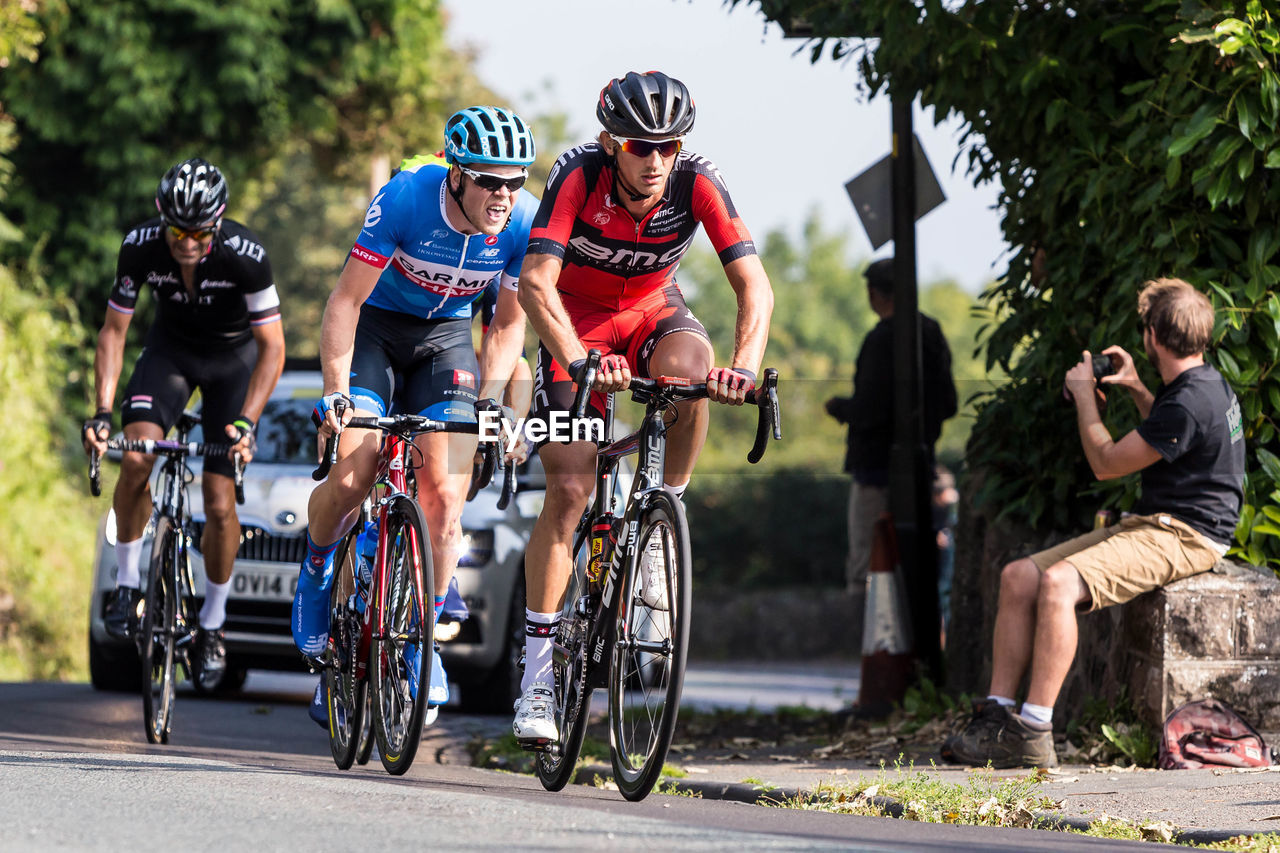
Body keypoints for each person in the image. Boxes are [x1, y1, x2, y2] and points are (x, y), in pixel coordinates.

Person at [511, 70, 774, 744]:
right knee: (569, 488)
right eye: (638, 144)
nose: (655, 158)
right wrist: (575, 358)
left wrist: (741, 370)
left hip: (654, 312)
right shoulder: (577, 175)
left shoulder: (697, 182)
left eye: (669, 145)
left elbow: (755, 287)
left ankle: (665, 509)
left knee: (691, 371)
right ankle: (538, 673)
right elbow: (536, 283)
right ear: (610, 141)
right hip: (579, 326)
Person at [293, 106, 538, 725]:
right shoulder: (407, 199)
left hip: (445, 341)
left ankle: (422, 642)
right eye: (489, 179)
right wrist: (333, 392)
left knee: (445, 498)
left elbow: (507, 324)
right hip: (375, 332)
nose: (503, 194)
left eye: (514, 180)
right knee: (353, 473)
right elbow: (344, 302)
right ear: (455, 175)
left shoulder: (523, 223)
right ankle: (319, 570)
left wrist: (490, 403)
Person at [942, 277, 1244, 769]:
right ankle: (996, 719)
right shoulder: (1200, 385)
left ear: (1152, 337)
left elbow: (1106, 462)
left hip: (1187, 534)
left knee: (1058, 583)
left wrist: (1084, 395)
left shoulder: (1191, 399)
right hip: (1157, 523)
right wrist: (1138, 389)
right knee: (1018, 576)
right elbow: (1171, 436)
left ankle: (1034, 730)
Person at [82, 158, 286, 687]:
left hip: (232, 365)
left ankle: (213, 625)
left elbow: (272, 348)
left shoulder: (248, 255)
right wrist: (103, 412)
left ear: (217, 223)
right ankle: (128, 587)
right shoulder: (140, 246)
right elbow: (113, 332)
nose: (188, 243)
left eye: (199, 233)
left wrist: (247, 422)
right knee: (135, 457)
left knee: (219, 503)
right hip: (169, 356)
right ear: (161, 218)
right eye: (178, 230)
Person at [824, 258, 957, 602]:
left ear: (875, 294)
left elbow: (870, 408)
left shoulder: (881, 339)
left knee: (866, 564)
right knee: (916, 563)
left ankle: (870, 649)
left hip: (875, 470)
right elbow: (948, 402)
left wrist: (840, 408)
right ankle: (917, 646)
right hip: (919, 468)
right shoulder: (930, 332)